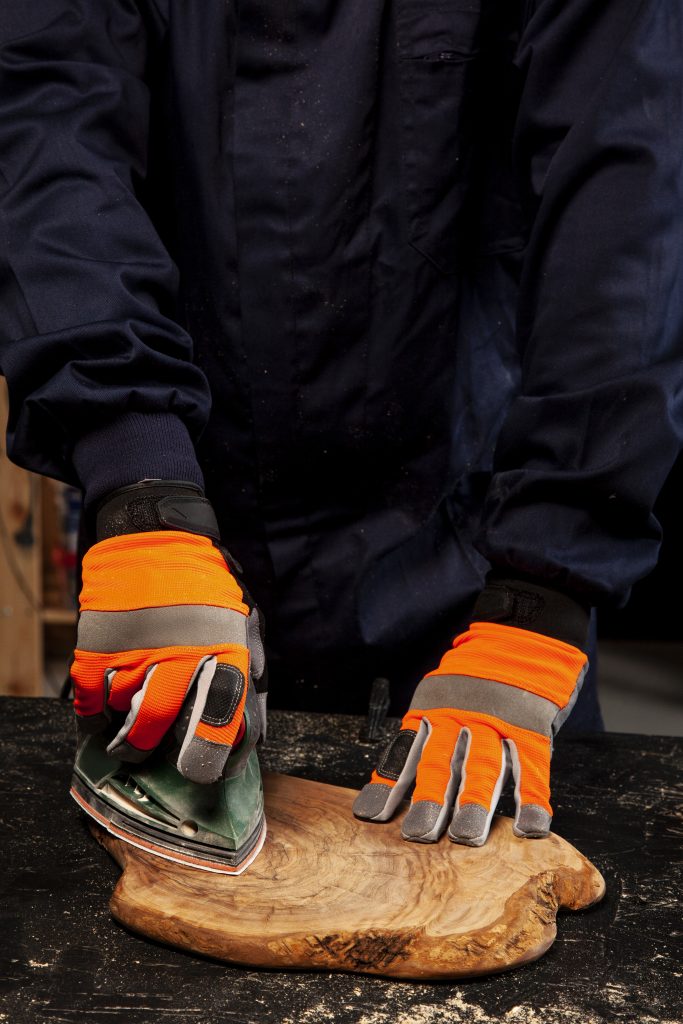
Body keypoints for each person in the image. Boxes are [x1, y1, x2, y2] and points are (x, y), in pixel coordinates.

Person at [0, 0, 681, 846]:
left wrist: (546, 587)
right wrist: (137, 483)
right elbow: (42, 126)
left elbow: (629, 194)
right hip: (181, 558)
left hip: (476, 564)